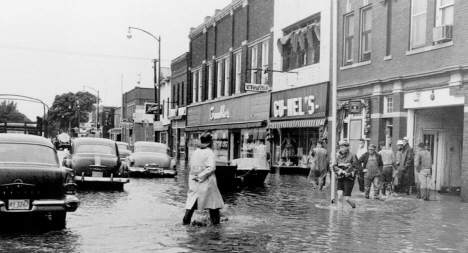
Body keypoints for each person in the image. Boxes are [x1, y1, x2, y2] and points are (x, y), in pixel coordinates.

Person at [183, 131, 224, 225]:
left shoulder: (195, 152)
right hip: (206, 181)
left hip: (194, 181)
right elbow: (211, 168)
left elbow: (190, 165)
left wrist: (196, 176)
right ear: (210, 143)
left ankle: (186, 222)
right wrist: (201, 176)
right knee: (214, 204)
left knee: (191, 203)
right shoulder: (210, 153)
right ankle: (215, 226)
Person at [333, 140, 358, 208]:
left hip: (349, 179)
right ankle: (339, 214)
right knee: (339, 196)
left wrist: (349, 173)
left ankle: (354, 206)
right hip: (340, 177)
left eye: (343, 147)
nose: (341, 149)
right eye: (340, 147)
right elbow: (334, 166)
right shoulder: (338, 156)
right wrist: (340, 170)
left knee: (347, 198)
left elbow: (356, 167)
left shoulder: (352, 155)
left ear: (347, 148)